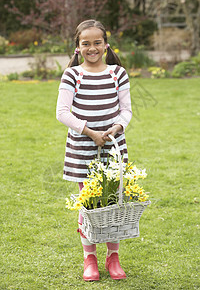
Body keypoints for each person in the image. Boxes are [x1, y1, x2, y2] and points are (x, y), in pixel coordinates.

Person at [56, 19, 132, 281]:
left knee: (113, 203)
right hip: (81, 148)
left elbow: (126, 110)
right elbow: (62, 112)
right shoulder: (72, 75)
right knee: (88, 205)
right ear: (78, 47)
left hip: (112, 146)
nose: (92, 48)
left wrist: (116, 128)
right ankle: (90, 258)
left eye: (97, 42)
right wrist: (89, 132)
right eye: (85, 43)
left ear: (105, 44)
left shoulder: (117, 73)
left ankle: (113, 257)